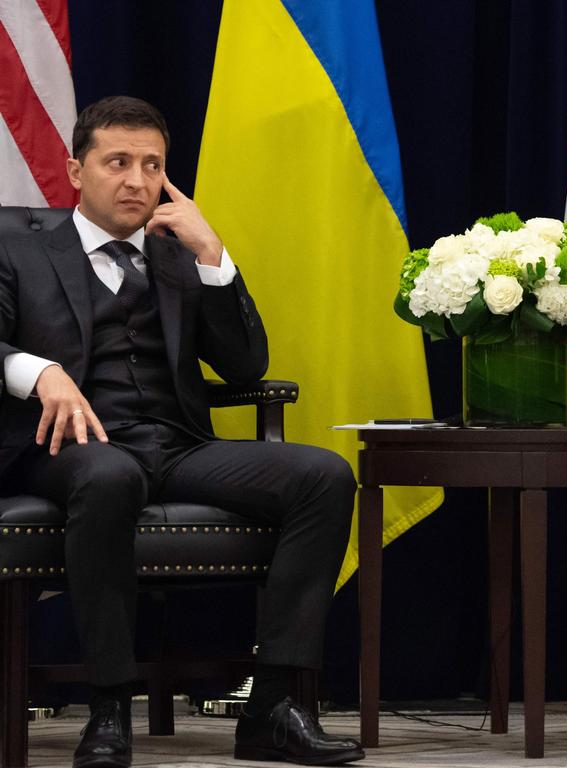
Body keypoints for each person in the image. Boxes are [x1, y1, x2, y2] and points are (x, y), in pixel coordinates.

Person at [0, 96, 364, 767]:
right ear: (76, 171)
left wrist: (213, 256)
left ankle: (272, 708)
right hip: (67, 449)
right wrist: (36, 371)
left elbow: (246, 365)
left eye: (152, 165)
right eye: (118, 162)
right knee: (109, 475)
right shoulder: (20, 252)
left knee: (324, 475)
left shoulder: (176, 260)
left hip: (177, 445)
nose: (137, 180)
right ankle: (109, 710)